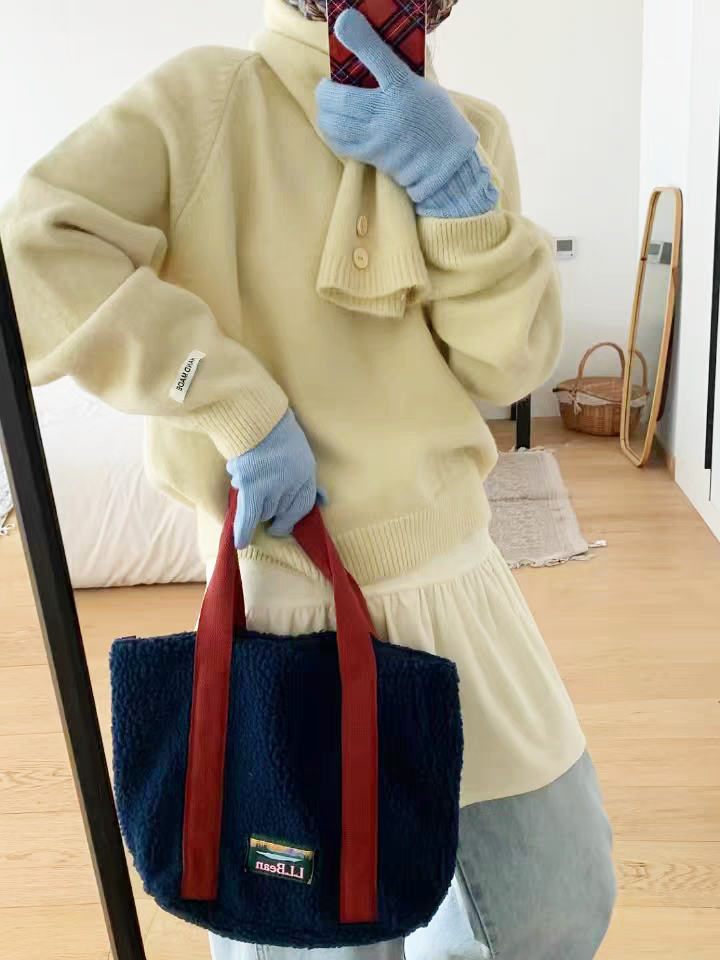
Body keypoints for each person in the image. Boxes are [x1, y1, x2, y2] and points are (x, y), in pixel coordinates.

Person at [0, 0, 616, 957]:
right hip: (285, 603)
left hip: (462, 577)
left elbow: (506, 367)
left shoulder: (472, 130)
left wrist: (459, 196)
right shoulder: (205, 98)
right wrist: (232, 404)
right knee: (322, 935)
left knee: (560, 902)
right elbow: (34, 247)